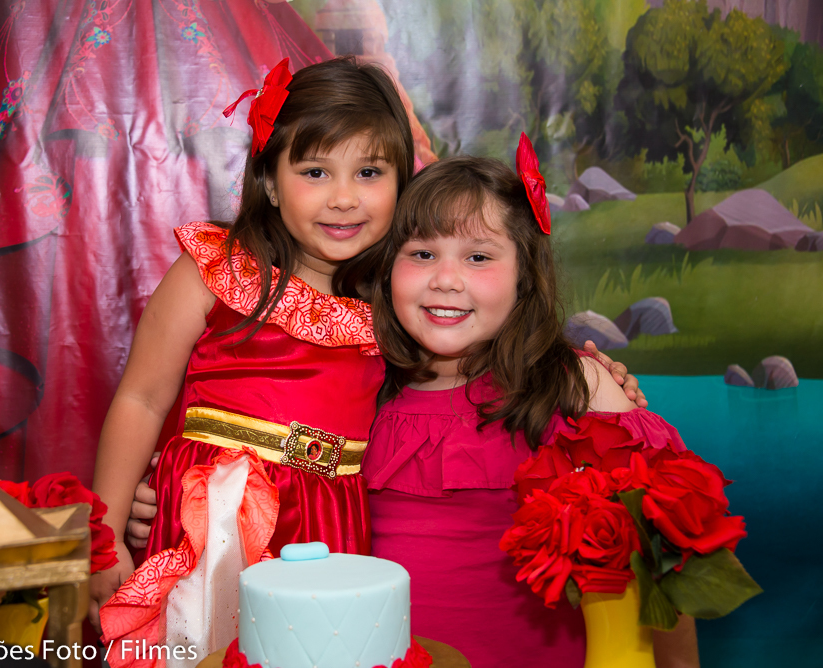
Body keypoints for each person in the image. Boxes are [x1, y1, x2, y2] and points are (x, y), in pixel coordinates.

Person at [101, 57, 646, 663]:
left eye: (368, 172)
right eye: (315, 171)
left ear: (399, 187)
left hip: (331, 534)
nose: (343, 198)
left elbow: (479, 353)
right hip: (217, 523)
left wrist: (595, 379)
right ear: (271, 181)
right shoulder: (218, 271)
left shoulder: (386, 310)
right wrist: (111, 526)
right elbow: (142, 398)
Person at [362, 151, 699, 667]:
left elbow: (663, 563)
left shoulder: (575, 387)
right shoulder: (363, 386)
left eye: (478, 257)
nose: (446, 278)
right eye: (422, 253)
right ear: (387, 268)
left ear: (524, 272)